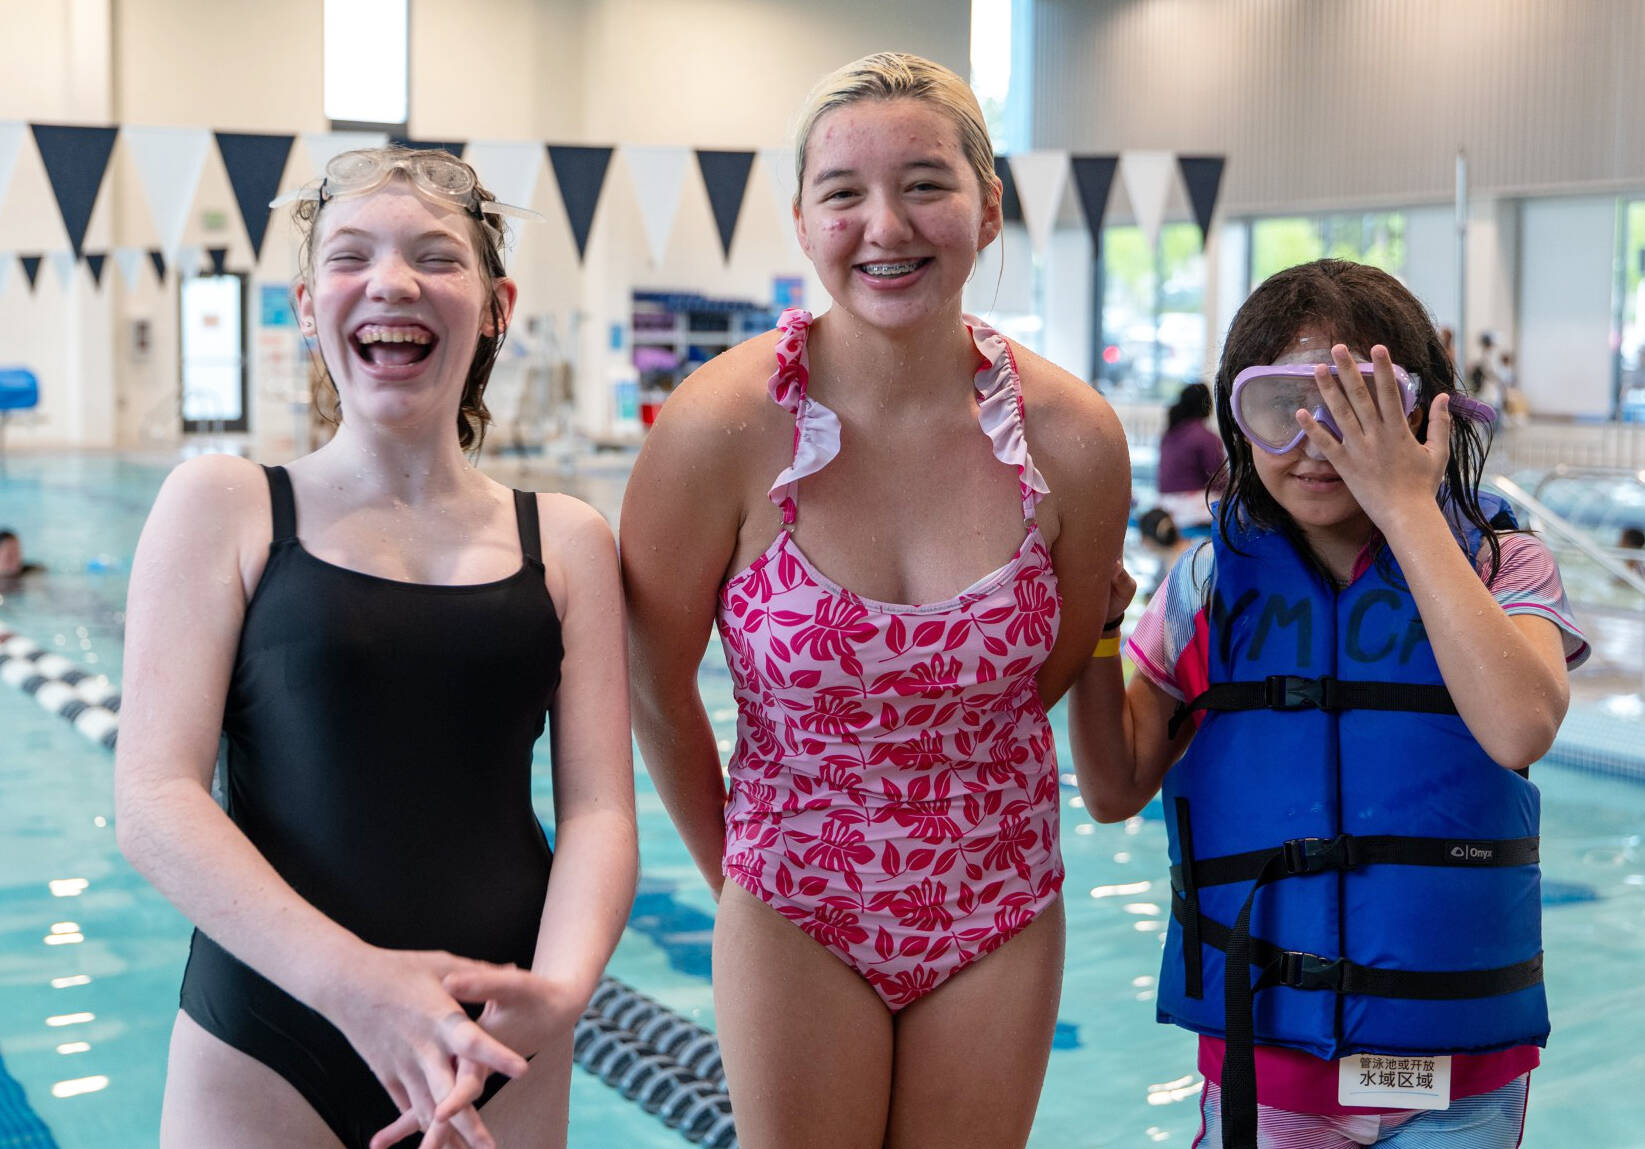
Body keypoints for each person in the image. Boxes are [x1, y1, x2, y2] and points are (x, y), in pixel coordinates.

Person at [621, 52, 1129, 1149]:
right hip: (792, 893)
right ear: (802, 222)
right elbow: (653, 688)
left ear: (988, 211)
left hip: (996, 895)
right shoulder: (716, 430)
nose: (885, 225)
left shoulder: (1075, 441)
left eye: (926, 184)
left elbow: (1053, 664)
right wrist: (744, 876)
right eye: (843, 193)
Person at [115, 147, 637, 1149]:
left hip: (498, 1033)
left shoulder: (564, 540)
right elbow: (153, 799)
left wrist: (559, 993)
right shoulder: (226, 507)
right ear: (309, 305)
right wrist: (356, 987)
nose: (393, 281)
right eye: (352, 255)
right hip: (271, 1025)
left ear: (496, 305)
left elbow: (603, 810)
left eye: (437, 257)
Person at [1069, 259, 1588, 1148]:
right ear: (1238, 420)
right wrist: (1094, 626)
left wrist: (1403, 502)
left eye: (1352, 405)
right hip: (1271, 1064)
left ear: (1420, 412)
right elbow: (1114, 788)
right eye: (1280, 408)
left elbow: (1519, 725)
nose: (1313, 441)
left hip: (1457, 1075)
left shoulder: (1503, 566)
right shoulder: (1205, 584)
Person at [1154, 381, 1225, 534]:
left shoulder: (1170, 434)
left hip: (1164, 505)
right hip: (1189, 509)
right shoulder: (1205, 437)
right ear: (1207, 405)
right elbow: (1219, 480)